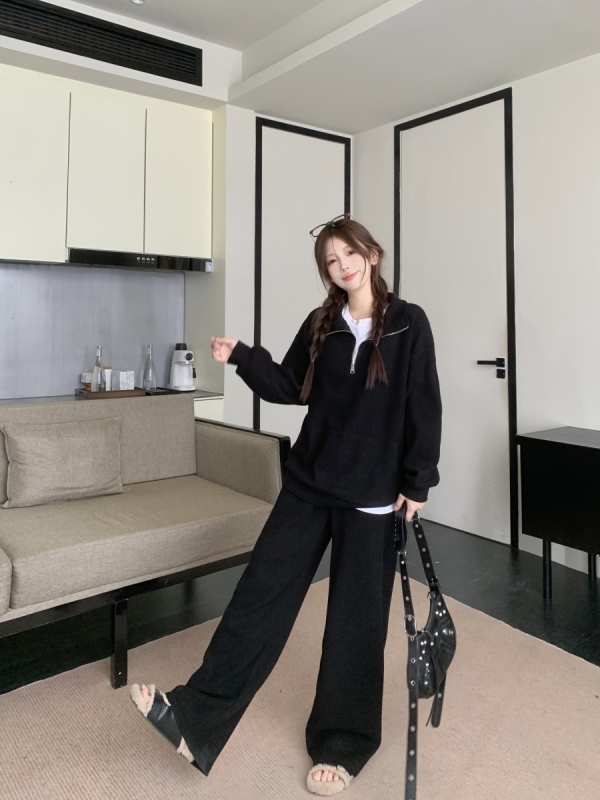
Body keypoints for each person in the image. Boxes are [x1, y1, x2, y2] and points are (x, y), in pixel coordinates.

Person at [130, 214, 442, 796]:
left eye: (350, 254)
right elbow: (289, 386)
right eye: (331, 261)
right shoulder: (321, 322)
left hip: (372, 497)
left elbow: (423, 403)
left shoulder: (408, 323)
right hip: (308, 484)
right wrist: (242, 356)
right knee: (259, 598)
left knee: (354, 625)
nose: (342, 267)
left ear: (372, 254)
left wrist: (418, 480)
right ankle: (195, 720)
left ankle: (343, 746)